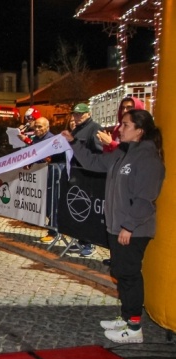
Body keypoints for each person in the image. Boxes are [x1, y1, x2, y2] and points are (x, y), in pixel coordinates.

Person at [63, 109, 164, 344]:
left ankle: (134, 326)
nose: (120, 128)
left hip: (134, 230)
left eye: (126, 125)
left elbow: (145, 199)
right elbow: (94, 162)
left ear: (139, 131)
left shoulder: (148, 159)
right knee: (119, 272)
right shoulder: (121, 152)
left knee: (129, 275)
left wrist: (129, 226)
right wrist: (73, 143)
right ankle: (127, 316)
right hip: (117, 226)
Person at [69, 103, 104, 257]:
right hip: (77, 176)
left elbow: (98, 152)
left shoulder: (94, 128)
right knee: (78, 208)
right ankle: (81, 240)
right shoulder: (76, 129)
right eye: (75, 114)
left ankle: (89, 243)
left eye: (79, 114)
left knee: (88, 211)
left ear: (87, 114)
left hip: (88, 175)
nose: (76, 117)